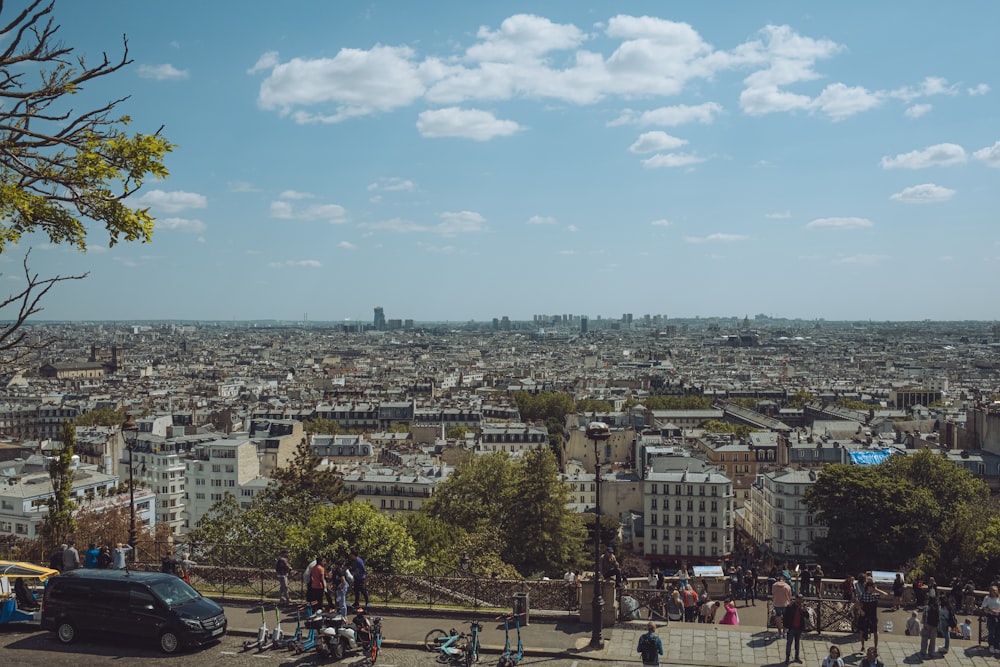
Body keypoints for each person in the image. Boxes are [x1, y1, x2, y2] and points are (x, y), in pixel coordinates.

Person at [857, 579, 888, 652]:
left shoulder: (874, 596)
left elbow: (885, 595)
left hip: (872, 615)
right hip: (865, 615)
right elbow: (858, 604)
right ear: (868, 587)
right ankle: (862, 646)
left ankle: (875, 647)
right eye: (872, 587)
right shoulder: (863, 595)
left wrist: (877, 590)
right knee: (862, 631)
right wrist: (861, 611)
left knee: (875, 631)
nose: (873, 588)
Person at [782, 593, 807, 663]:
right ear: (796, 599)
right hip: (791, 627)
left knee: (797, 643)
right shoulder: (790, 607)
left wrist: (805, 611)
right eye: (799, 598)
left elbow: (807, 616)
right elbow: (785, 617)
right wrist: (784, 626)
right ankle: (787, 657)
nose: (800, 600)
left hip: (799, 628)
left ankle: (797, 657)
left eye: (801, 599)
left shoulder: (802, 608)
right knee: (789, 642)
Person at [982, 584, 1000, 653]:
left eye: (995, 591)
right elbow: (984, 607)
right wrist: (991, 610)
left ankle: (997, 645)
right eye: (993, 591)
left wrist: (997, 611)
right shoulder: (987, 598)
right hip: (991, 616)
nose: (994, 592)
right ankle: (991, 645)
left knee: (998, 632)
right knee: (991, 631)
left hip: (998, 616)